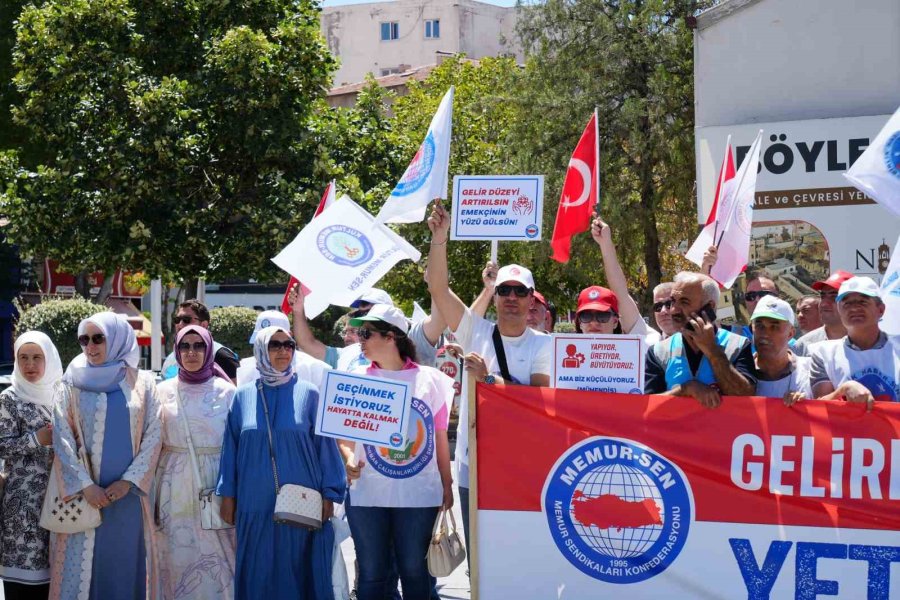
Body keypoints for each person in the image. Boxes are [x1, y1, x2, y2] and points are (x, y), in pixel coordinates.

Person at [426, 200, 551, 559]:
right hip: (472, 462)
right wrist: (439, 239)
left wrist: (490, 381)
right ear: (494, 296)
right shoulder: (474, 330)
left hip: (523, 463)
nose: (512, 297)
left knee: (520, 557)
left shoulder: (544, 344)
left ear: (531, 300)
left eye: (520, 292)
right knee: (480, 561)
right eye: (505, 291)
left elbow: (540, 402)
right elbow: (438, 288)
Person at [216, 326, 346, 599]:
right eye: (275, 345)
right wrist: (227, 494)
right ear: (262, 350)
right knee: (257, 566)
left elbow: (325, 446)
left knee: (297, 566)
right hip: (253, 499)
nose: (283, 351)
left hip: (301, 498)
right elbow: (231, 447)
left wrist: (330, 494)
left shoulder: (309, 394)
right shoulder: (243, 396)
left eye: (289, 344)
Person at [339, 305, 454, 600]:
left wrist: (447, 481)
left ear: (391, 337)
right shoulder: (357, 380)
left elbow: (439, 434)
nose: (359, 340)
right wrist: (349, 458)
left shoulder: (431, 380)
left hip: (419, 494)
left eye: (366, 333)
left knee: (416, 572)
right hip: (367, 493)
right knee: (372, 573)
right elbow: (345, 436)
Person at [49, 313, 162, 600]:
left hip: (128, 500)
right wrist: (86, 485)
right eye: (83, 339)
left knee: (124, 569)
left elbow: (154, 435)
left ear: (117, 339)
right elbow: (62, 438)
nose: (90, 346)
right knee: (84, 573)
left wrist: (128, 482)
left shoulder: (143, 384)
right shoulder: (70, 384)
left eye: (98, 338)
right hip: (84, 499)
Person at [154, 326, 237, 599]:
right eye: (185, 346)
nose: (191, 352)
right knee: (175, 556)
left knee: (221, 560)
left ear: (209, 349)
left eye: (199, 346)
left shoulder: (227, 392)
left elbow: (238, 444)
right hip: (172, 487)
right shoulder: (161, 392)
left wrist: (232, 492)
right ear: (176, 351)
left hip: (216, 484)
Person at [0, 332, 63, 600]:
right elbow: (3, 445)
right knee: (23, 587)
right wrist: (38, 439)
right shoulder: (9, 399)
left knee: (56, 582)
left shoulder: (62, 395)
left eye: (37, 357)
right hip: (22, 506)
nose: (30, 365)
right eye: (23, 358)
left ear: (49, 359)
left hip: (61, 501)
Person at [644, 272, 757, 407]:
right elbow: (648, 406)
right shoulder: (658, 352)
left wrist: (712, 351)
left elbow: (745, 398)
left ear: (709, 307)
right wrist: (686, 389)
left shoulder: (738, 345)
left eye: (684, 302)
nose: (673, 310)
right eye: (672, 301)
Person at [291, 286, 446, 370]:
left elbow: (439, 318)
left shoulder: (412, 337)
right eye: (360, 313)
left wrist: (435, 283)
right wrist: (298, 311)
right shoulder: (348, 353)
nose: (362, 316)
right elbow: (307, 343)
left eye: (369, 311)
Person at [810, 276, 900, 406]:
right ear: (839, 310)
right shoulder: (824, 355)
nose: (854, 308)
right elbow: (819, 408)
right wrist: (844, 389)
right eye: (847, 303)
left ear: (880, 310)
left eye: (863, 302)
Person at [589, 217, 661, 344]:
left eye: (603, 316)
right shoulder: (563, 352)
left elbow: (620, 295)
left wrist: (605, 244)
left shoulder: (638, 343)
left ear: (616, 320)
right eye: (586, 316)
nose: (594, 322)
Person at [235, 311, 331, 391]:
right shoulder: (246, 367)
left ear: (289, 336)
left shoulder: (315, 368)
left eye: (274, 344)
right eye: (262, 341)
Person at [750, 297, 812, 405]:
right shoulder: (739, 376)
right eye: (760, 326)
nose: (765, 334)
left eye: (774, 326)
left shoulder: (810, 370)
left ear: (790, 333)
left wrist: (807, 404)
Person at [162, 300, 240, 382]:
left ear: (204, 325)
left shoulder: (221, 355)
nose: (180, 324)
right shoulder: (170, 359)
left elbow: (236, 392)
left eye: (186, 319)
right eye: (177, 320)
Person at [795, 270, 854, 355]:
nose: (824, 303)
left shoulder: (872, 343)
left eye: (834, 296)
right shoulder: (803, 345)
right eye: (823, 296)